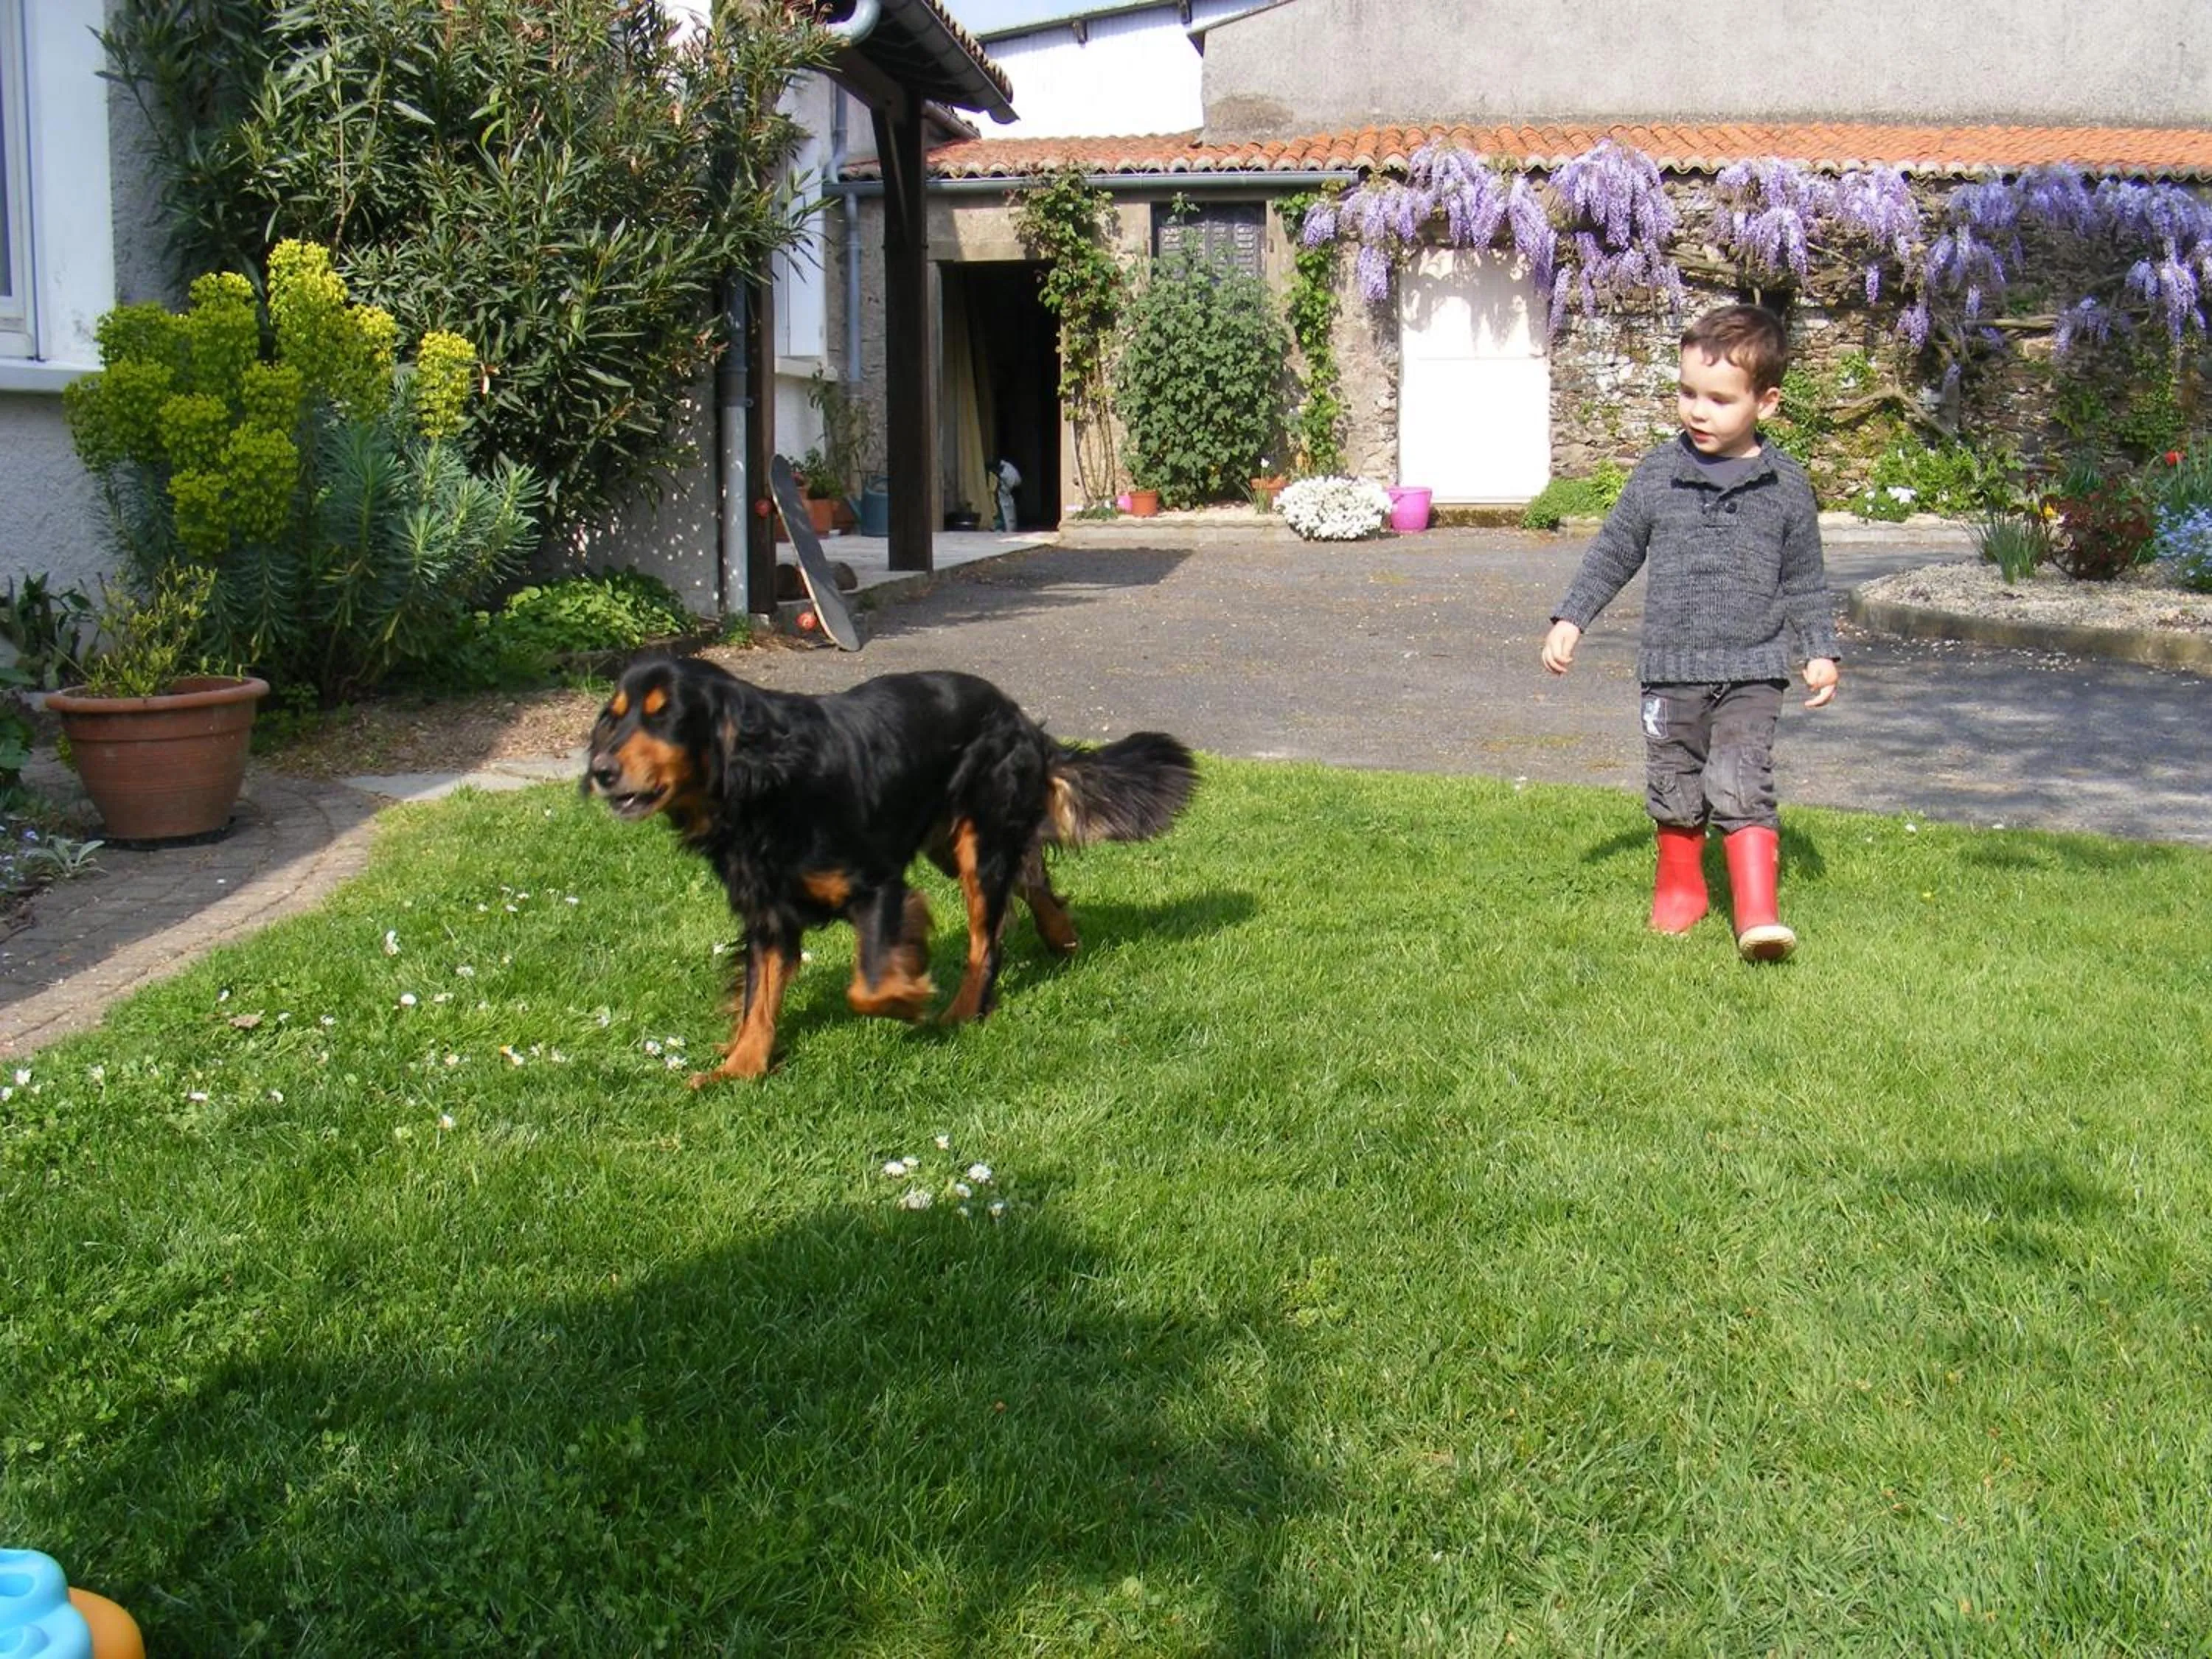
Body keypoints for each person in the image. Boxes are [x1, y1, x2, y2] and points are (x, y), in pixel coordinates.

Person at [1540, 303, 1840, 961]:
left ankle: (1757, 912)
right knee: (1674, 781)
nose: (1698, 412)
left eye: (1719, 400)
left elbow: (1805, 577)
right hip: (1671, 669)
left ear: (1766, 402)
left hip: (1753, 668)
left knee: (1740, 777)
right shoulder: (1658, 474)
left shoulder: (1786, 485)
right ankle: (1681, 889)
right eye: (1687, 393)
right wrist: (1572, 617)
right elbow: (1614, 551)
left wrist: (1819, 648)